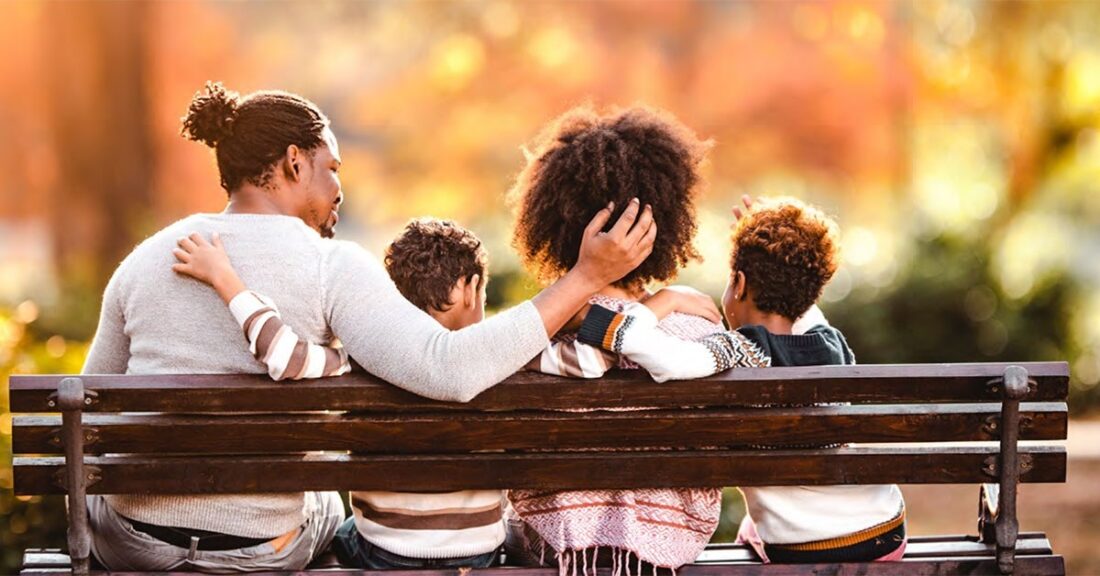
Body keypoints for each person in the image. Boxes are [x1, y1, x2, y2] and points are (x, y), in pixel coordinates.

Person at [81, 81, 656, 572]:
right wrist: (584, 278)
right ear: (293, 163)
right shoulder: (330, 265)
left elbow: (89, 408)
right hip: (261, 552)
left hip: (136, 546)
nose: (338, 189)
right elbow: (448, 369)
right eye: (331, 169)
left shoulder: (148, 257)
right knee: (329, 509)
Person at [503, 105, 817, 575]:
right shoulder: (705, 332)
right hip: (671, 543)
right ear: (667, 225)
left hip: (558, 545)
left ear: (552, 224)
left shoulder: (535, 335)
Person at [575, 198, 908, 564]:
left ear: (740, 282)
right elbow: (803, 301)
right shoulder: (831, 342)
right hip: (886, 531)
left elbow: (662, 357)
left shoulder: (738, 352)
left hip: (808, 548)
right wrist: (786, 254)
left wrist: (664, 301)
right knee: (756, 522)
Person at [172, 217, 507, 569]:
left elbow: (284, 356)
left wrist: (225, 278)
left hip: (384, 552)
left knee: (337, 522)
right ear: (471, 289)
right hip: (477, 551)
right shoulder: (499, 361)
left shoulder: (362, 362)